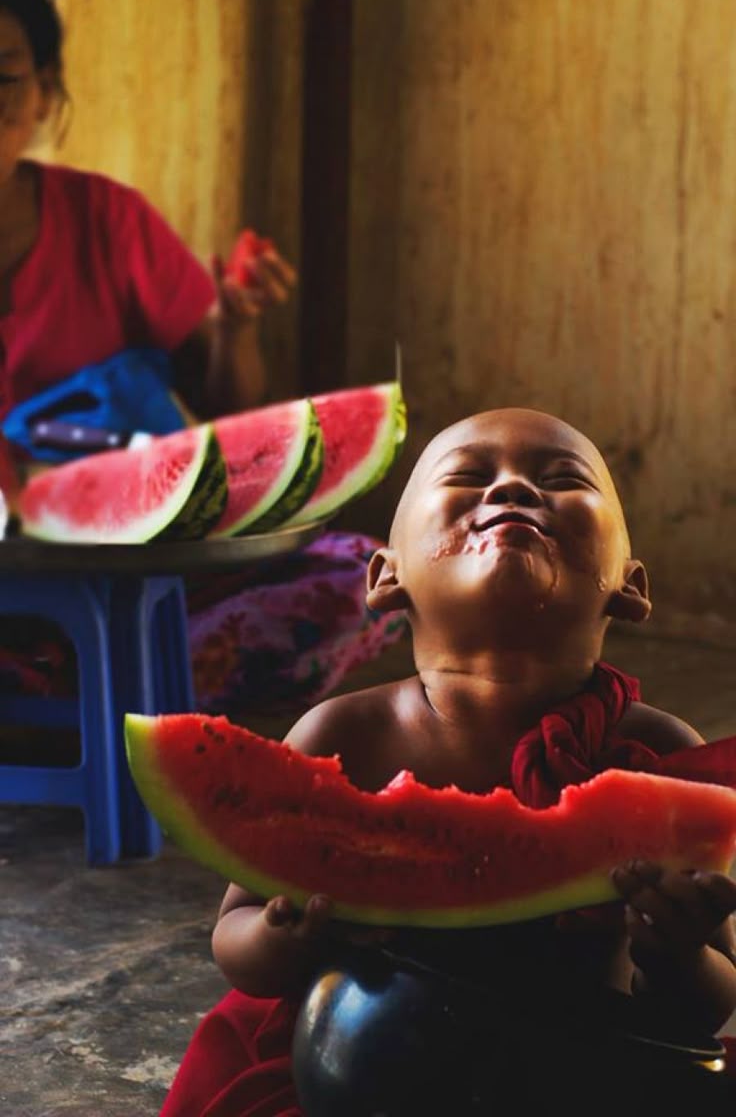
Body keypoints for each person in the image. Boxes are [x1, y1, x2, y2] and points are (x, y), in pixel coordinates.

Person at [161, 405, 736, 1116]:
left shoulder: (664, 761)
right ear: (384, 576)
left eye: (561, 479)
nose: (512, 489)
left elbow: (710, 998)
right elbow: (235, 938)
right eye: (468, 476)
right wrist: (283, 936)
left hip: (574, 1074)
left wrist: (674, 950)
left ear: (631, 585)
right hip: (361, 1070)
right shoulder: (345, 734)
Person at [0, 0, 406, 719]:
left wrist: (235, 322)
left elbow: (227, 408)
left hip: (140, 579)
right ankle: (109, 689)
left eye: (2, 79)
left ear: (46, 89)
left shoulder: (107, 222)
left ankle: (59, 688)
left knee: (362, 575)